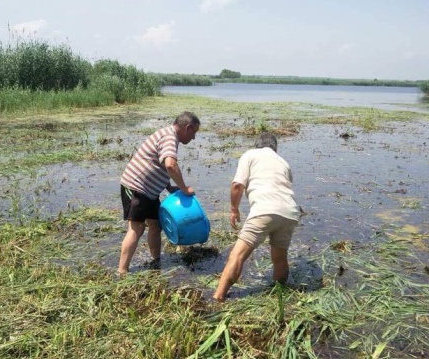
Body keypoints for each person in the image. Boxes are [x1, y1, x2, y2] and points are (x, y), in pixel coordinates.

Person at [213, 132, 301, 302]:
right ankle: (279, 297)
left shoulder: (250, 154)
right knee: (280, 258)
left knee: (237, 255)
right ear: (274, 147)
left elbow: (238, 185)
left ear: (257, 145)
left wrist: (233, 209)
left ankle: (218, 297)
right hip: (290, 212)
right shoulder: (284, 162)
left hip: (265, 210)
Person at [118, 111, 201, 275]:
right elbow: (170, 165)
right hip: (136, 187)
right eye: (194, 133)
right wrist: (184, 188)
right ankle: (122, 271)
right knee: (137, 228)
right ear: (188, 127)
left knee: (156, 226)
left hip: (150, 191)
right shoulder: (170, 137)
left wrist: (169, 187)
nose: (194, 138)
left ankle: (156, 262)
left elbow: (160, 165)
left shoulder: (169, 136)